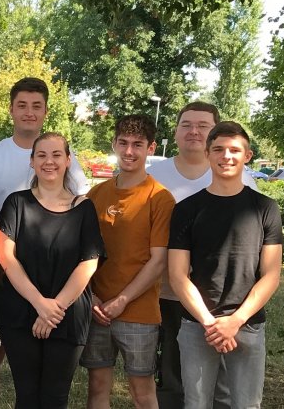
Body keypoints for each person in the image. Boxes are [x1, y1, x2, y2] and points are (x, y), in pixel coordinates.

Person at [0, 77, 89, 408]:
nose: (29, 112)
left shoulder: (66, 157)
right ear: (11, 109)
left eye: (36, 106)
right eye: (22, 105)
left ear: (45, 111)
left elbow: (80, 205)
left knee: (46, 372)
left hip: (53, 279)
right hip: (0, 271)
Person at [146, 102, 259, 409]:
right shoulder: (155, 176)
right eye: (186, 125)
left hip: (224, 298)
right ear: (176, 130)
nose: (193, 131)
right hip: (167, 294)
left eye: (202, 125)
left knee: (222, 380)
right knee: (171, 369)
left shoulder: (244, 179)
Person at [168, 122, 282, 409]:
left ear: (248, 156)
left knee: (246, 405)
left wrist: (234, 321)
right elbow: (178, 275)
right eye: (218, 149)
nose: (226, 156)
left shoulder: (265, 208)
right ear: (207, 154)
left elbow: (271, 275)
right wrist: (211, 324)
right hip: (197, 324)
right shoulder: (186, 209)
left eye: (234, 150)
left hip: (248, 323)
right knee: (196, 404)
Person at [0, 132, 104, 408]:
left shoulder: (84, 208)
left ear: (68, 160)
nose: (49, 161)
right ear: (32, 162)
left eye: (57, 155)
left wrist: (54, 308)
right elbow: (6, 256)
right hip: (22, 312)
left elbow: (89, 262)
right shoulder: (16, 203)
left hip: (67, 314)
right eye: (41, 155)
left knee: (55, 398)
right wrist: (39, 304)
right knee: (27, 396)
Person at [82, 114, 174, 409]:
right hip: (97, 308)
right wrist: (92, 297)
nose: (129, 151)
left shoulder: (160, 198)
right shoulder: (96, 194)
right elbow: (82, 253)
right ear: (114, 144)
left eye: (138, 144)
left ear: (151, 148)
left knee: (141, 391)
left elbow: (158, 261)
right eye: (123, 143)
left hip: (139, 311)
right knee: (97, 387)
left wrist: (122, 300)